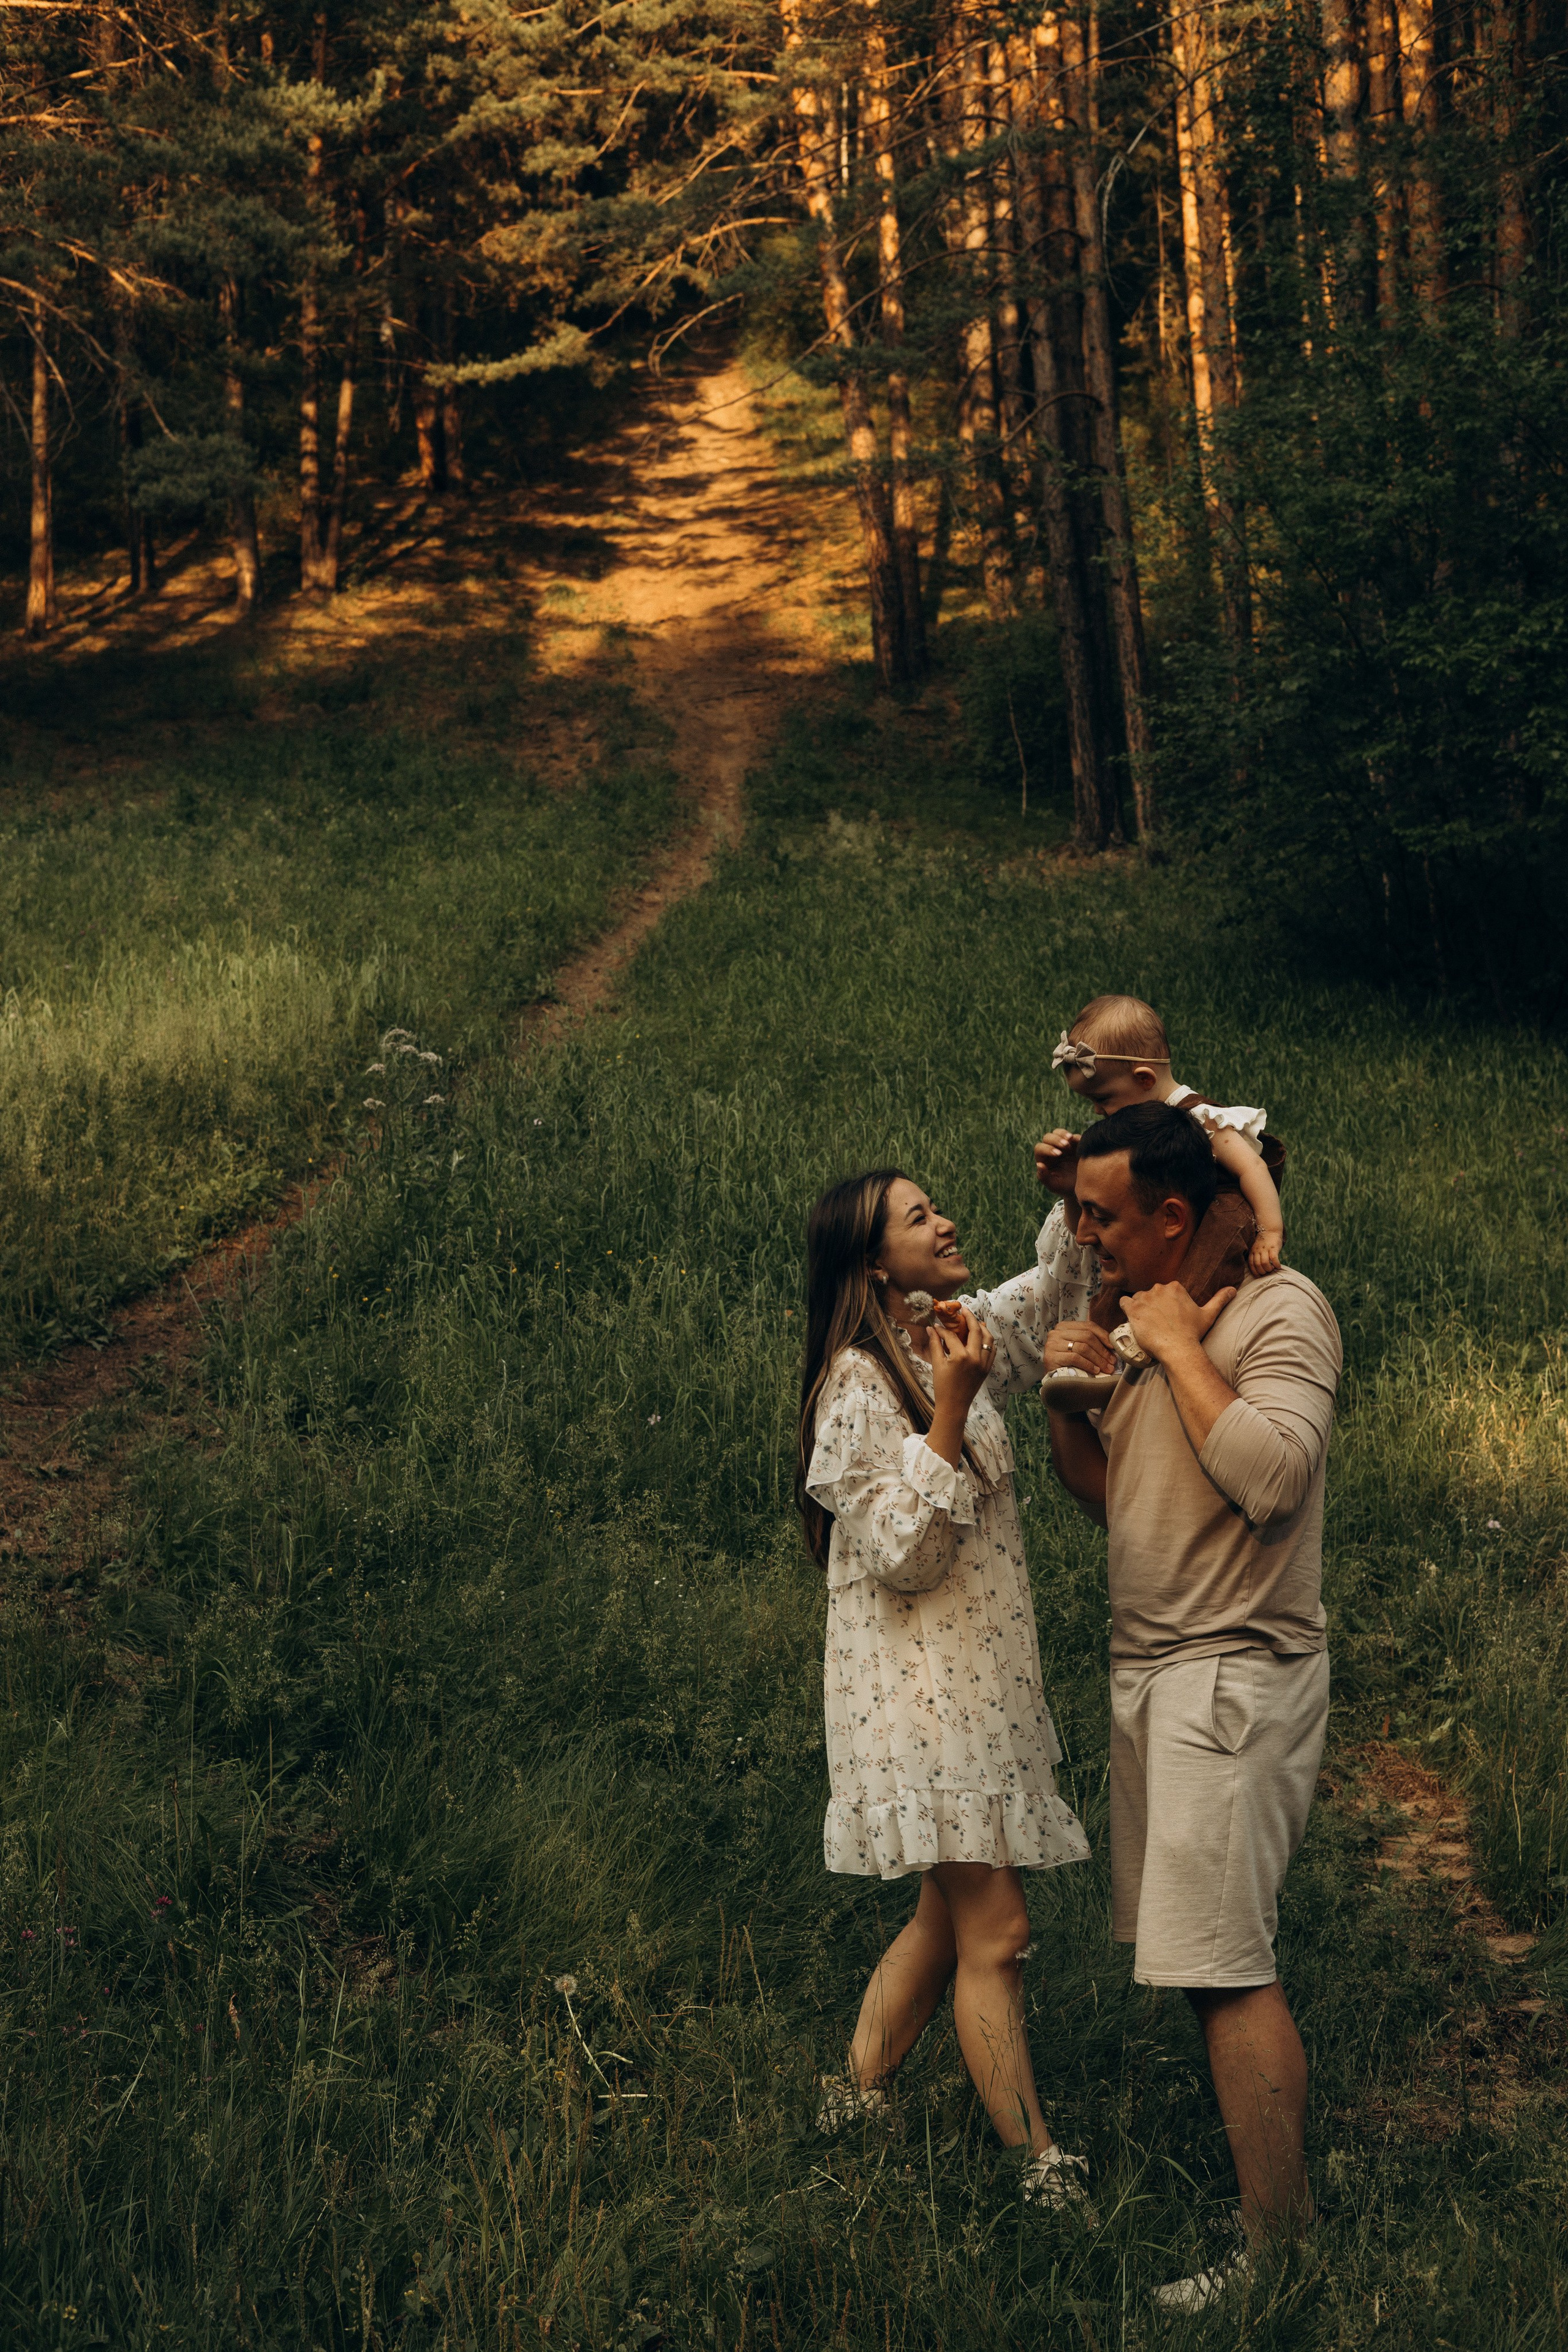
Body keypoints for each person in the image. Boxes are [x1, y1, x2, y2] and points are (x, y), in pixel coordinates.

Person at [1044, 1100, 1341, 2313]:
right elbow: (1123, 1504)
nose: (1086, 1239)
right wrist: (1076, 1401)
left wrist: (1172, 1349)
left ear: (1173, 1215)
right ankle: (1264, 2213)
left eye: (1103, 1218)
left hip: (1232, 1672)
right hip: (1153, 1670)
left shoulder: (1280, 1313)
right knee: (1198, 1962)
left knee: (1226, 1966)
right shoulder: (1140, 1321)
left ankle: (1279, 2255)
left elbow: (1268, 1479)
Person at [797, 1169, 1093, 2210]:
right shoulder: (858, 1385)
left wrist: (1078, 1183)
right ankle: (1038, 2166)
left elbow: (1055, 1290)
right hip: (917, 1703)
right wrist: (954, 1408)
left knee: (945, 1914)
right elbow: (901, 1557)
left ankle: (855, 2095)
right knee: (998, 1927)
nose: (947, 1221)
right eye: (919, 1218)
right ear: (875, 1259)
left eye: (938, 1207)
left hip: (983, 1689)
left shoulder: (952, 1332)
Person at [1033, 995, 1286, 1384]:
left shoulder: (1201, 1117)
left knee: (1208, 1261)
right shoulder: (1142, 1125)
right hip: (1176, 1204)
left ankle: (1178, 1323)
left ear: (1145, 1080)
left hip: (1225, 1205)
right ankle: (1101, 1366)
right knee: (1109, 1292)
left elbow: (1252, 1167)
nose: (1098, 1111)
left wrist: (1270, 1231)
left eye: (1103, 1100)